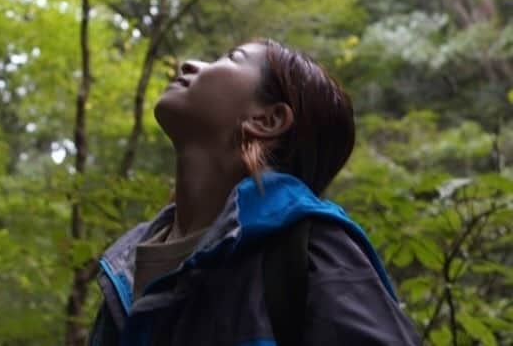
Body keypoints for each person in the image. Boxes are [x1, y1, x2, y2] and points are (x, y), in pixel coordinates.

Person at [88, 39, 421, 345]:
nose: (189, 64)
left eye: (232, 58)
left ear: (268, 119)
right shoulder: (125, 270)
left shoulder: (306, 244)